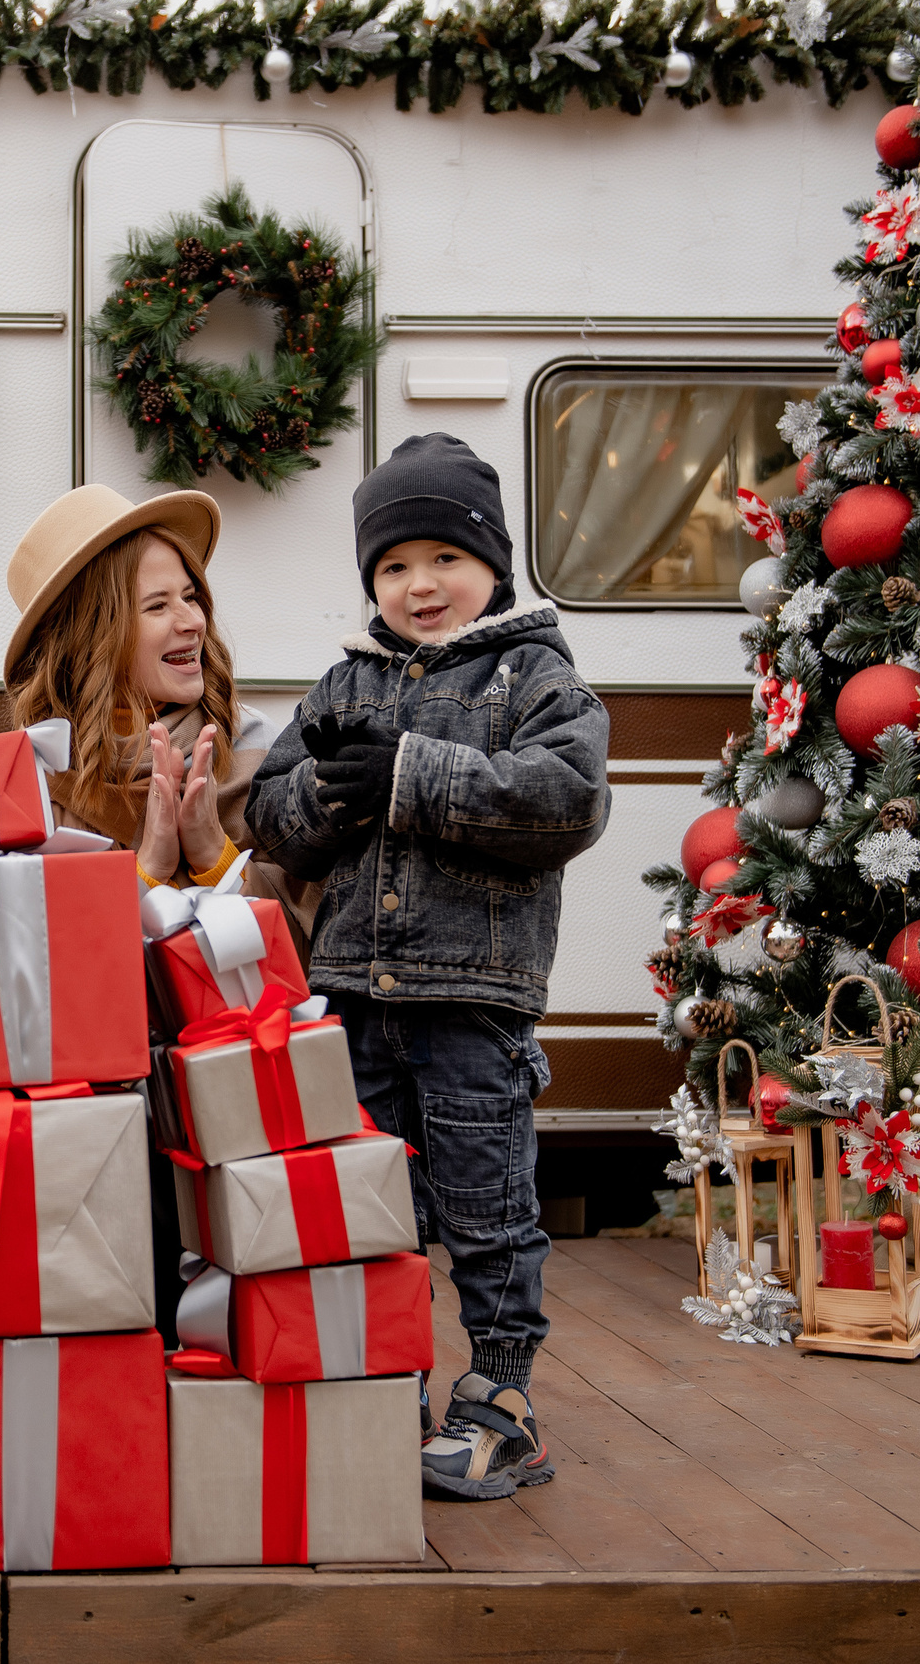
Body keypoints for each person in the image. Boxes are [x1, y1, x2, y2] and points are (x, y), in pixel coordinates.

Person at [244, 433, 612, 1501]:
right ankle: (387, 1378)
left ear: (492, 563)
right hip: (355, 998)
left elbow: (565, 800)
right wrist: (324, 796)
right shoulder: (344, 680)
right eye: (394, 564)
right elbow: (272, 814)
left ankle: (502, 1395)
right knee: (372, 1205)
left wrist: (408, 771)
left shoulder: (537, 676)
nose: (421, 584)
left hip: (473, 1004)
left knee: (489, 1208)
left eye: (443, 558)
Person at [0, 483, 300, 911]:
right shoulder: (34, 785)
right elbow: (44, 959)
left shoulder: (258, 744)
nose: (194, 620)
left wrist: (215, 857)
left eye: (191, 596)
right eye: (158, 606)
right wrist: (148, 874)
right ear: (89, 638)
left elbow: (315, 943)